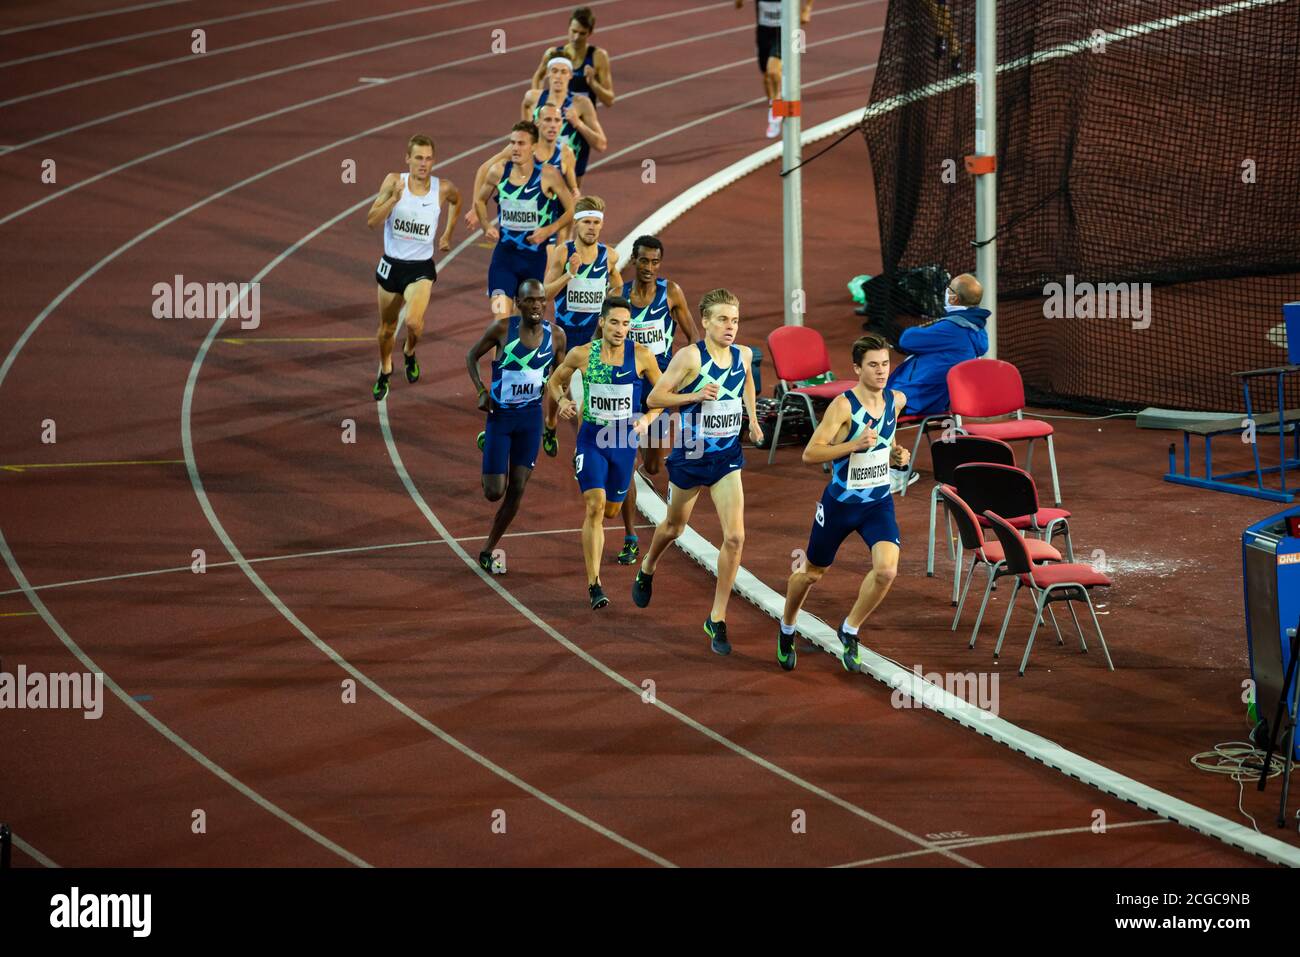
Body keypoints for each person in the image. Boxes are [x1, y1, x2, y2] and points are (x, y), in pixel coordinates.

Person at [631, 289, 762, 657]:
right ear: (704, 321)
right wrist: (693, 396)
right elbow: (655, 399)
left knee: (735, 538)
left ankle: (717, 617)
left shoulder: (744, 355)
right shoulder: (689, 357)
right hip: (690, 456)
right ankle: (648, 565)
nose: (730, 327)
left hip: (726, 459)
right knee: (674, 527)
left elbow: (747, 383)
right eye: (722, 319)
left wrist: (751, 419)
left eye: (735, 320)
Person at [776, 335, 910, 673]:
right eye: (873, 365)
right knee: (811, 574)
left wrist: (896, 454)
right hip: (839, 505)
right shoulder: (843, 406)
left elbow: (887, 441)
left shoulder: (896, 400)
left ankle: (850, 629)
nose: (881, 371)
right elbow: (810, 453)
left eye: (885, 364)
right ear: (856, 368)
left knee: (887, 570)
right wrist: (851, 446)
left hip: (877, 503)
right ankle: (787, 627)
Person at [547, 297, 663, 610]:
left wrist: (648, 418)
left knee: (611, 510)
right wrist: (562, 402)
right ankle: (594, 583)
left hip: (624, 443)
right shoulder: (584, 354)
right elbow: (554, 381)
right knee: (594, 506)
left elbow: (664, 394)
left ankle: (612, 542)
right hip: (592, 440)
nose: (620, 329)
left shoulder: (641, 356)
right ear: (602, 322)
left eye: (626, 324)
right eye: (614, 322)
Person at [466, 279, 565, 574]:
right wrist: (481, 390)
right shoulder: (502, 330)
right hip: (501, 417)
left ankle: (488, 548)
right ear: (518, 303)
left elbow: (557, 380)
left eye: (541, 300)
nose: (536, 305)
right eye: (530, 300)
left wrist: (553, 420)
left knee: (518, 488)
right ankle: (490, 441)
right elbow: (471, 356)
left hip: (530, 419)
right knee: (494, 492)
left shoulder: (557, 336)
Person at [615, 235, 700, 565]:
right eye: (644, 261)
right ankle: (630, 536)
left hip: (659, 389)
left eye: (655, 262)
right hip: (626, 385)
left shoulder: (671, 293)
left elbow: (693, 335)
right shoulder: (619, 296)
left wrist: (690, 369)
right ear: (633, 260)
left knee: (652, 465)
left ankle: (639, 467)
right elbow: (600, 339)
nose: (649, 267)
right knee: (624, 461)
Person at [365, 134, 459, 401]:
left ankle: (408, 350)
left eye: (428, 158)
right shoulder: (394, 182)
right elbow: (372, 220)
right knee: (386, 329)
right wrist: (393, 200)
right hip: (392, 266)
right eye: (418, 158)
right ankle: (385, 368)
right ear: (407, 159)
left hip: (420, 268)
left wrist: (448, 233)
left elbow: (456, 200)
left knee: (414, 322)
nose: (423, 163)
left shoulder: (442, 188)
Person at [541, 195, 621, 458]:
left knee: (592, 390)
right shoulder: (564, 252)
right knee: (560, 385)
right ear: (576, 224)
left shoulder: (609, 256)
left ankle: (584, 450)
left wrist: (613, 295)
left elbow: (618, 289)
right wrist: (570, 274)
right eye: (587, 222)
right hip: (565, 333)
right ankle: (551, 423)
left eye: (596, 223)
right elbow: (545, 294)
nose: (592, 228)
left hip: (594, 334)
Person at [475, 121, 575, 320]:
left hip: (534, 262)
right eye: (512, 143)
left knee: (527, 323)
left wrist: (549, 230)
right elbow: (479, 199)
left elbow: (572, 208)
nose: (515, 148)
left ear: (534, 147)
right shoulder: (498, 172)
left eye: (521, 143)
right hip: (504, 259)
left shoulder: (548, 175)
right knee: (501, 322)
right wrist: (486, 225)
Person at [466, 102, 578, 237]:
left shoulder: (566, 153)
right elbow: (484, 170)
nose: (552, 125)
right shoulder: (519, 148)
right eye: (548, 120)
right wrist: (474, 208)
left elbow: (573, 190)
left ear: (562, 124)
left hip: (551, 222)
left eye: (557, 120)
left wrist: (575, 194)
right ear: (537, 123)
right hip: (521, 219)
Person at [886, 272, 988, 417]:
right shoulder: (977, 329)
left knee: (852, 406)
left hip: (916, 397)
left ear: (954, 298)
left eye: (950, 288)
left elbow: (907, 340)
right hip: (938, 400)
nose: (946, 290)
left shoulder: (951, 329)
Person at [522, 56, 606, 186]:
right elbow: (525, 108)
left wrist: (578, 123)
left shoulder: (581, 104)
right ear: (548, 74)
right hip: (538, 168)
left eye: (563, 72)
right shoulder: (533, 98)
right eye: (554, 71)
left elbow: (601, 145)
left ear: (570, 75)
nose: (558, 76)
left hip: (568, 172)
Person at [735, 0, 813, 138]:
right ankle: (775, 105)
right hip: (764, 33)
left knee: (773, 71)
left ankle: (777, 111)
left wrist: (807, 9)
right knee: (767, 77)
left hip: (789, 31)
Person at [529, 6, 616, 109]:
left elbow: (609, 101)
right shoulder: (554, 54)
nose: (576, 38)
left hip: (584, 121)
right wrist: (537, 103)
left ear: (590, 33)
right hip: (557, 121)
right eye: (574, 31)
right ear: (568, 27)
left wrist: (593, 83)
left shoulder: (598, 57)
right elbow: (538, 77)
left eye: (582, 33)